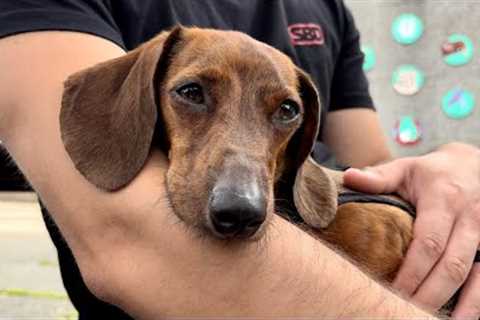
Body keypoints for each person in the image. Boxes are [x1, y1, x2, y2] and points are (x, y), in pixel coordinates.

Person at [0, 1, 478, 319]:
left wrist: (450, 169)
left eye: (284, 112)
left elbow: (370, 171)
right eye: (193, 94)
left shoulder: (327, 7)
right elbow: (126, 240)